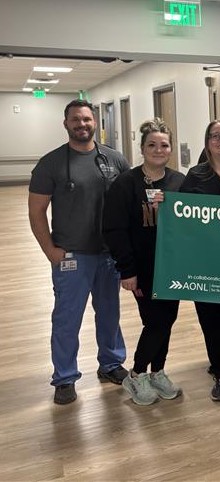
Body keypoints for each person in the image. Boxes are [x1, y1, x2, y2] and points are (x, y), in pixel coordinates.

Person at [28, 99, 128, 405]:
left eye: (86, 119)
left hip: (108, 255)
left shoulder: (114, 159)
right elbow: (36, 211)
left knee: (109, 313)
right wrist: (50, 251)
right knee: (67, 318)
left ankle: (110, 364)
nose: (81, 124)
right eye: (75, 120)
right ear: (66, 124)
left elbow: (128, 201)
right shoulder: (51, 163)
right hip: (72, 256)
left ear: (95, 122)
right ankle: (65, 377)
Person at [103, 118, 185, 406]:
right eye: (152, 145)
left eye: (164, 145)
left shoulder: (178, 182)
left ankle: (157, 371)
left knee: (168, 319)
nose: (158, 150)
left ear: (171, 149)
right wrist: (127, 270)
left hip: (171, 267)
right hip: (143, 268)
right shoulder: (125, 184)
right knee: (155, 322)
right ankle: (136, 374)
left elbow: (190, 226)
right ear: (142, 148)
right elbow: (114, 229)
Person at [180, 120, 220, 402]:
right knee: (214, 320)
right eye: (215, 136)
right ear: (207, 143)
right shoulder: (195, 176)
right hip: (209, 264)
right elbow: (181, 219)